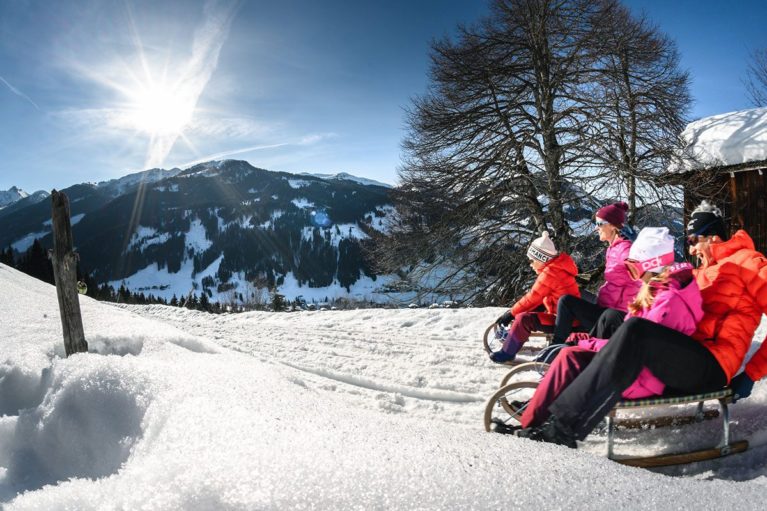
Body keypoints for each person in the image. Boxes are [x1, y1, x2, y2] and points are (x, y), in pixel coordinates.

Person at [521, 201, 767, 448]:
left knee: (636, 330)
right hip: (679, 353)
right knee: (609, 321)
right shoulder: (702, 270)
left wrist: (751, 374)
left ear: (712, 238)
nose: (691, 250)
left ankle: (563, 429)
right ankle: (534, 421)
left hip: (711, 364)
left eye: (693, 241)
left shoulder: (748, 262)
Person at [510, 227, 702, 432]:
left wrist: (587, 342)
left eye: (634, 269)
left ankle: (544, 425)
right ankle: (533, 420)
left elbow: (631, 347)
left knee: (573, 358)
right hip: (633, 366)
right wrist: (585, 340)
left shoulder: (667, 301)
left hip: (641, 376)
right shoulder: (657, 291)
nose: (634, 277)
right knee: (572, 354)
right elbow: (626, 338)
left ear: (652, 264)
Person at [549, 201, 641, 345]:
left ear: (612, 225)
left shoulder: (625, 249)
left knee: (566, 302)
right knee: (573, 294)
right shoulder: (613, 248)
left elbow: (642, 271)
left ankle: (555, 345)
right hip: (603, 306)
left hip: (614, 315)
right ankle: (567, 338)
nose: (596, 228)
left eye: (599, 224)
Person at [491, 231, 580, 363]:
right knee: (534, 308)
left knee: (523, 319)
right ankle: (515, 336)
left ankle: (507, 353)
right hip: (569, 317)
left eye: (532, 260)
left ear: (542, 259)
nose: (530, 264)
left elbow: (532, 297)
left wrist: (511, 313)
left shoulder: (550, 273)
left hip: (565, 322)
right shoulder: (557, 268)